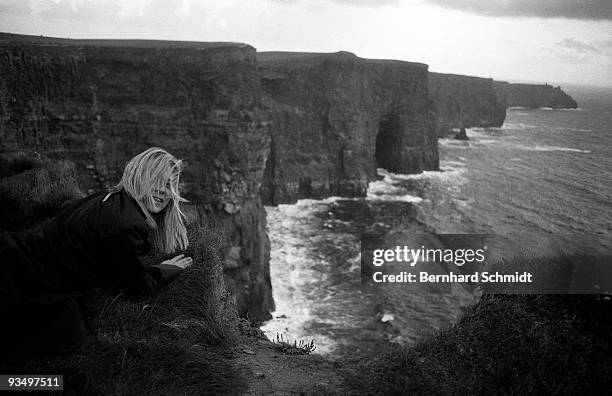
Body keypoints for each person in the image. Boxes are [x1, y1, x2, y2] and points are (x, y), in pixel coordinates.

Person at [0, 147, 193, 354]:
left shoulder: (108, 197)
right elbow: (136, 287)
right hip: (19, 279)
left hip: (13, 253)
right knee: (71, 340)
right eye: (156, 180)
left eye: (168, 185)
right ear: (139, 177)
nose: (163, 191)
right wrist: (167, 269)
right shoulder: (127, 223)